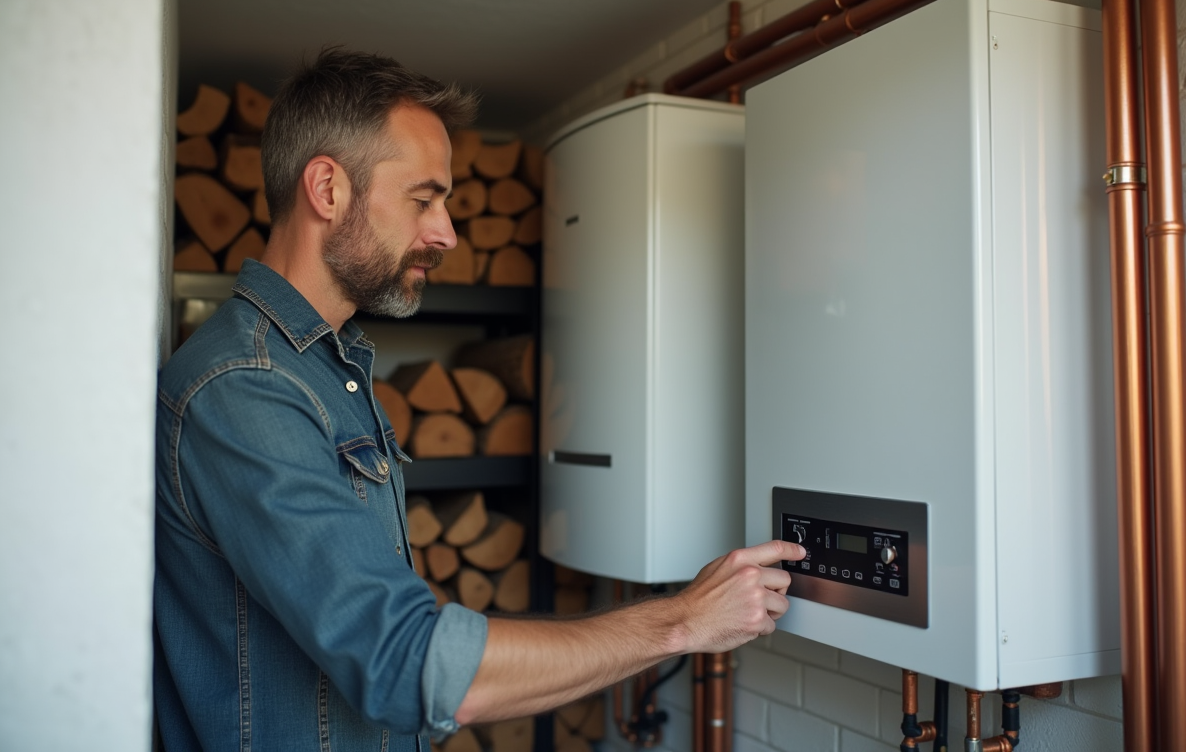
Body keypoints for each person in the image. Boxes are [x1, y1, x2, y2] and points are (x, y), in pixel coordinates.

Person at [153, 47, 806, 752]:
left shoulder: (324, 369)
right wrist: (682, 622)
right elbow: (409, 665)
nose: (447, 233)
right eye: (423, 199)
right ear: (328, 189)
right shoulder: (246, 387)